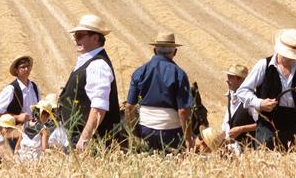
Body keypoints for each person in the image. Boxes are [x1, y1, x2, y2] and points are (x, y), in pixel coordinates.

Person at [236, 29, 296, 151]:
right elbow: (243, 91)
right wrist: (259, 103)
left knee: (291, 168)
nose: (292, 58)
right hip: (267, 128)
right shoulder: (264, 65)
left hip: (293, 128)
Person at [57, 14, 124, 152]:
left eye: (80, 35)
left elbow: (99, 107)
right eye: (75, 35)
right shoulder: (89, 61)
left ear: (95, 38)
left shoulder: (98, 65)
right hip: (80, 134)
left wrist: (85, 138)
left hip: (89, 138)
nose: (76, 39)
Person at [126, 32, 194, 153]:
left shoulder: (140, 71)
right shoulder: (179, 74)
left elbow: (129, 107)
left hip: (145, 131)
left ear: (154, 50)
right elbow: (183, 111)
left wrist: (133, 133)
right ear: (175, 52)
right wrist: (188, 140)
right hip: (171, 133)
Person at [217, 62, 259, 152]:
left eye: (230, 78)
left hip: (247, 153)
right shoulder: (231, 97)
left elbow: (261, 125)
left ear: (240, 80)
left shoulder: (251, 100)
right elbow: (226, 126)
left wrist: (241, 129)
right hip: (230, 150)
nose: (227, 80)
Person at [0, 55, 40, 125]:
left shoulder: (34, 87)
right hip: (16, 131)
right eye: (23, 67)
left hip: (34, 130)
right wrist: (16, 118)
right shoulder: (11, 89)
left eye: (28, 66)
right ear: (16, 70)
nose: (26, 69)